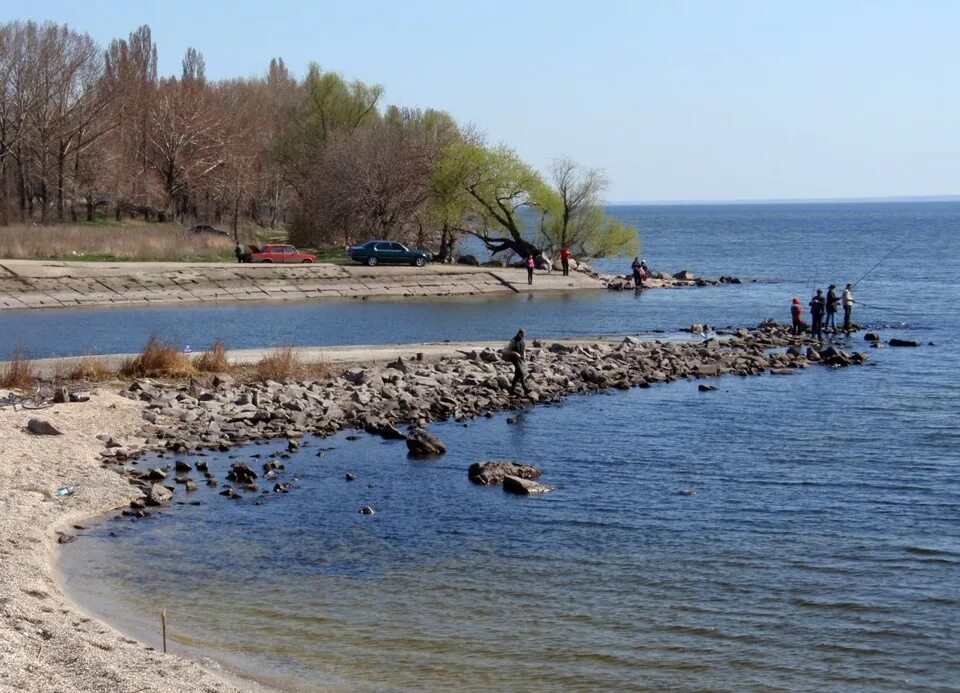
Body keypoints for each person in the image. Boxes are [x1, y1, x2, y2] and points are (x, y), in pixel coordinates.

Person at [502, 328, 529, 395]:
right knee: (521, 373)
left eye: (524, 335)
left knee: (517, 374)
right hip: (514, 358)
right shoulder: (513, 341)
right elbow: (508, 350)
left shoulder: (523, 341)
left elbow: (524, 350)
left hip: (521, 359)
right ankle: (525, 389)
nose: (523, 336)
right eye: (522, 335)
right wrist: (515, 353)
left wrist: (524, 356)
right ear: (519, 334)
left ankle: (512, 390)